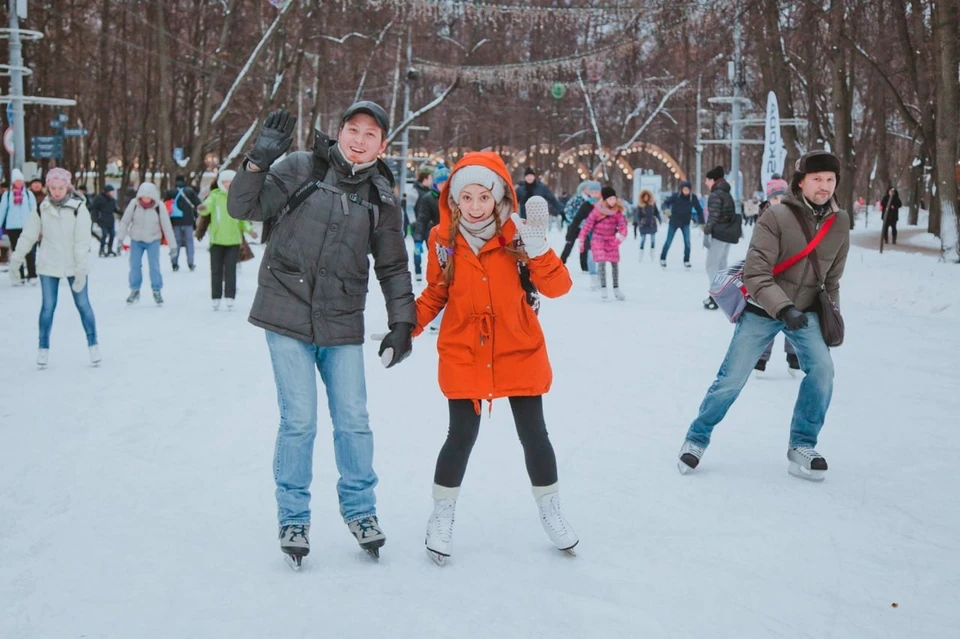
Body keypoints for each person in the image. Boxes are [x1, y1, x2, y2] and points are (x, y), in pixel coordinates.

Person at [227, 104, 416, 568]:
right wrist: (257, 161)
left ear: (382, 145)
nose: (359, 139)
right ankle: (293, 518)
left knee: (353, 419)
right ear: (340, 132)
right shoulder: (300, 167)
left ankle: (361, 512)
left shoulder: (381, 196)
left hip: (342, 318)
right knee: (300, 420)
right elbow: (243, 207)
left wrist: (402, 322)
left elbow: (392, 265)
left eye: (370, 134)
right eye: (353, 130)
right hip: (285, 311)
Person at [413, 152, 578, 563]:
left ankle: (551, 510)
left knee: (534, 434)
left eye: (482, 197)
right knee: (460, 436)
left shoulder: (520, 235)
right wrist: (405, 327)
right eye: (465, 197)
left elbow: (559, 288)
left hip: (516, 345)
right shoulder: (442, 239)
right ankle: (442, 514)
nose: (473, 206)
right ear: (454, 199)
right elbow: (436, 292)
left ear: (498, 196)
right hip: (465, 347)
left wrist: (539, 252)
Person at [678, 151, 850, 482]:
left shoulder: (839, 222)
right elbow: (756, 274)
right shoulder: (776, 215)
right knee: (731, 378)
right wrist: (784, 308)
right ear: (801, 182)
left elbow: (832, 280)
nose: (824, 186)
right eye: (817, 179)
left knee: (823, 370)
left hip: (807, 310)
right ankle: (696, 438)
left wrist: (832, 317)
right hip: (763, 309)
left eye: (830, 180)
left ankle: (802, 444)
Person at [7, 168, 99, 367]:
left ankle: (93, 345)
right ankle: (43, 348)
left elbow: (82, 240)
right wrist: (17, 258)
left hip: (75, 265)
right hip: (50, 264)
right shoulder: (42, 208)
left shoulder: (78, 207)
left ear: (67, 187)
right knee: (48, 307)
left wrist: (81, 267)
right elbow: (28, 235)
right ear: (48, 187)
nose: (57, 191)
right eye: (53, 187)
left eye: (61, 187)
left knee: (83, 305)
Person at [754, 179, 799, 376]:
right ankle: (761, 359)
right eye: (775, 197)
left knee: (792, 315)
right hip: (769, 276)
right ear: (769, 199)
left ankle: (794, 358)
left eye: (783, 197)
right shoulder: (764, 217)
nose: (779, 201)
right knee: (768, 316)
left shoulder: (795, 216)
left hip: (791, 275)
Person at [195, 170, 253, 310]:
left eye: (230, 182)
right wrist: (203, 208)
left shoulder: (238, 198)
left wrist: (249, 229)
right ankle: (216, 297)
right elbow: (207, 207)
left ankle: (230, 296)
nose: (227, 185)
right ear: (220, 183)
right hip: (216, 240)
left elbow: (242, 218)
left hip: (233, 240)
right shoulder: (215, 195)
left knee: (231, 270)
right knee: (216, 270)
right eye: (225, 182)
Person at [118, 182, 178, 305]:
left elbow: (167, 226)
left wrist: (173, 247)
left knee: (154, 266)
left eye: (148, 196)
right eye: (143, 196)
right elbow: (125, 222)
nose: (145, 199)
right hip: (136, 240)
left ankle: (157, 290)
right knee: (134, 266)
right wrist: (120, 239)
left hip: (153, 240)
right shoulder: (134, 204)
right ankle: (134, 290)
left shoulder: (159, 206)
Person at [578, 185, 628, 300]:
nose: (613, 201)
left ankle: (616, 288)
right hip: (598, 240)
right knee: (601, 262)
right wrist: (582, 239)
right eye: (610, 199)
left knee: (615, 264)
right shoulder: (597, 211)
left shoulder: (617, 212)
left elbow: (622, 225)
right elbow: (587, 226)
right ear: (605, 200)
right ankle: (604, 288)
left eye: (614, 198)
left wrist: (620, 237)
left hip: (611, 240)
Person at [703, 166, 742, 310]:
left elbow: (713, 216)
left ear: (712, 180)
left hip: (719, 234)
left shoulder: (715, 194)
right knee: (721, 266)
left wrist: (707, 232)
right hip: (728, 234)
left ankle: (716, 296)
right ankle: (723, 294)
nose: (706, 183)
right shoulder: (727, 193)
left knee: (711, 265)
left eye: (707, 180)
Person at [0, 168, 39, 284]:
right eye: (17, 181)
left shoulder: (28, 194)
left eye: (20, 181)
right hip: (13, 227)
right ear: (13, 182)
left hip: (27, 227)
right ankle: (19, 275)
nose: (19, 183)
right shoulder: (7, 195)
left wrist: (35, 225)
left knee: (30, 251)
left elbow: (34, 210)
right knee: (17, 252)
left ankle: (32, 275)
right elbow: (2, 211)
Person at [659, 180, 703, 268]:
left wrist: (702, 223)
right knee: (668, 241)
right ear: (681, 189)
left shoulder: (692, 198)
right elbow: (664, 204)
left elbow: (699, 210)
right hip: (674, 222)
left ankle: (686, 260)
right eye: (684, 189)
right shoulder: (675, 196)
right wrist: (666, 210)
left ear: (690, 190)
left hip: (685, 223)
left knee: (687, 242)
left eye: (687, 189)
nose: (686, 191)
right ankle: (663, 258)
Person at [559, 180, 601, 268]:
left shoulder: (592, 200)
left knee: (585, 245)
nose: (588, 190)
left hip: (585, 227)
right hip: (575, 226)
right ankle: (562, 261)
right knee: (569, 244)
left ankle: (584, 265)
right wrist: (572, 220)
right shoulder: (576, 198)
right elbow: (567, 210)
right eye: (587, 189)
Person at [169, 175, 201, 272]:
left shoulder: (171, 192)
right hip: (188, 221)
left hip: (175, 221)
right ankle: (190, 263)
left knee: (176, 242)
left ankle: (174, 263)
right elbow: (197, 204)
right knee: (189, 242)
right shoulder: (190, 191)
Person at [411, 166, 436, 283]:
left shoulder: (430, 192)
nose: (432, 180)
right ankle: (418, 272)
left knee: (431, 250)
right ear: (424, 179)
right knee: (417, 249)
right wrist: (414, 222)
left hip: (429, 226)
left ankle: (432, 272)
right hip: (418, 225)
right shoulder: (415, 191)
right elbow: (409, 208)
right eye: (430, 178)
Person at [90, 185, 120, 257]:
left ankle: (110, 249)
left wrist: (122, 213)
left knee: (112, 235)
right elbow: (94, 209)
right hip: (102, 220)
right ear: (107, 192)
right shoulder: (99, 198)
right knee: (105, 234)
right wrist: (95, 219)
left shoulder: (112, 200)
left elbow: (114, 209)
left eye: (113, 192)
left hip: (110, 220)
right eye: (111, 192)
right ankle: (102, 249)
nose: (112, 193)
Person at [635, 189, 661, 261]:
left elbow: (656, 212)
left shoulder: (652, 204)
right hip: (644, 224)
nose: (646, 198)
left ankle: (652, 252)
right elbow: (637, 215)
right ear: (642, 198)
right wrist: (639, 223)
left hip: (652, 224)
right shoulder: (640, 206)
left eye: (647, 197)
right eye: (645, 197)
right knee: (643, 239)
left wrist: (659, 219)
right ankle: (641, 253)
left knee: (653, 239)